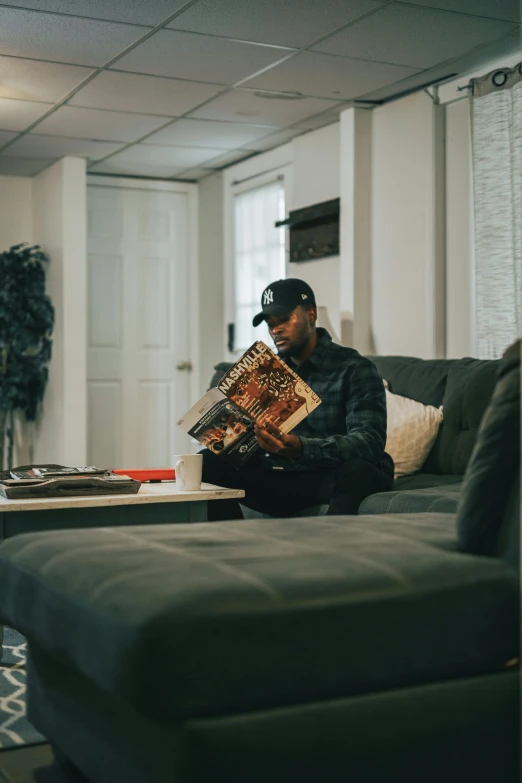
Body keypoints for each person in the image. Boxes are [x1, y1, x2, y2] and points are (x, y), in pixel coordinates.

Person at [202, 278, 394, 520]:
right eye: (271, 324)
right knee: (207, 461)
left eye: (283, 320)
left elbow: (369, 443)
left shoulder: (355, 368)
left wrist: (302, 448)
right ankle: (235, 543)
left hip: (328, 475)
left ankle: (337, 551)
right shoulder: (265, 370)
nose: (275, 330)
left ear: (311, 315)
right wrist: (227, 431)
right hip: (281, 475)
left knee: (358, 471)